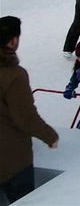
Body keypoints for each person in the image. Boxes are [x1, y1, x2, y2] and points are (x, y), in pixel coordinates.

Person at [1, 16, 59, 204]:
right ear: (13, 41)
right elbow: (24, 116)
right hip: (11, 160)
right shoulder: (13, 75)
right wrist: (49, 136)